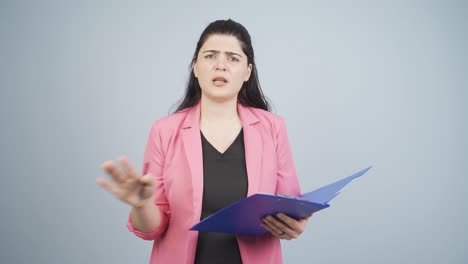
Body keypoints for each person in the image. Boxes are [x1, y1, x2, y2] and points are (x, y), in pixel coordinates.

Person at [96, 19, 312, 264]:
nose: (220, 66)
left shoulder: (273, 128)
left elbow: (288, 207)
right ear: (196, 67)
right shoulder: (164, 131)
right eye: (210, 56)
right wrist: (142, 204)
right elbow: (150, 230)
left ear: (247, 72)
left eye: (232, 58)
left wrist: (294, 224)